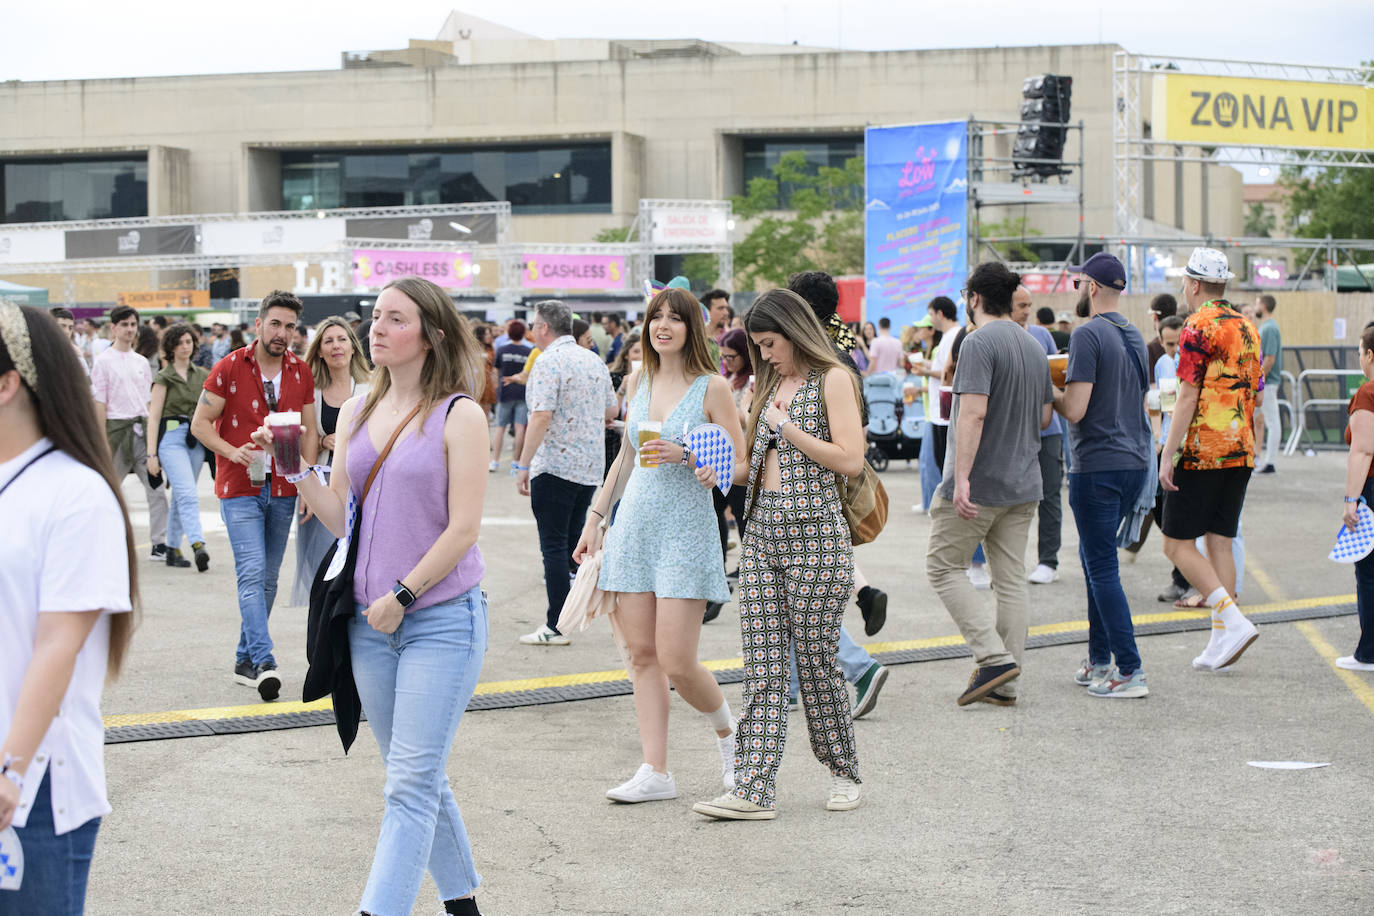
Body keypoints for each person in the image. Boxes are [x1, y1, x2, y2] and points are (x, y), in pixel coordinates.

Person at [260, 275, 491, 916]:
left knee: (409, 787)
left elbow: (464, 527)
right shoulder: (358, 409)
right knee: (416, 780)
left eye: (395, 318)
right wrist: (293, 468)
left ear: (431, 335)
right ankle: (463, 908)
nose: (376, 329)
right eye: (376, 317)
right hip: (367, 623)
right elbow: (342, 518)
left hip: (441, 619)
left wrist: (405, 591)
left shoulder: (459, 414)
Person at [691, 288, 866, 821]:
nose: (764, 355)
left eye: (770, 344)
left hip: (816, 534)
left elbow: (851, 459)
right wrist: (718, 466)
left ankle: (843, 772)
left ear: (794, 331)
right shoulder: (765, 387)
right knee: (763, 665)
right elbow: (753, 465)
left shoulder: (832, 379)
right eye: (760, 346)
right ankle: (753, 787)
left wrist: (786, 427)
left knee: (815, 663)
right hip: (763, 531)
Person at [573, 286, 744, 804]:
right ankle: (656, 770)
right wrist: (596, 516)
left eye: (674, 318)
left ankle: (731, 737)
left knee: (676, 658)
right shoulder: (638, 381)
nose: (662, 326)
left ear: (693, 327)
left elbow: (739, 464)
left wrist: (692, 454)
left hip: (686, 531)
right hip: (634, 528)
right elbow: (625, 460)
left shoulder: (712, 388)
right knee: (641, 655)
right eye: (655, 318)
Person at [0, 301, 136, 914]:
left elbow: (60, 643)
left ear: (7, 385)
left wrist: (10, 771)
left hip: (33, 788)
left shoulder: (75, 493)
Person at [925, 263, 1053, 707]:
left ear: (974, 298)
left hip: (980, 484)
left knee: (942, 567)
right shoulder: (1034, 346)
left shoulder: (978, 343)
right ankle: (1005, 682)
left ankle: (993, 659)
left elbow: (973, 413)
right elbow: (1043, 417)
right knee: (1011, 580)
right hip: (1024, 481)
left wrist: (960, 477)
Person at [192, 290, 318, 701]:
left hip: (284, 487)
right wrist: (233, 451)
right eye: (276, 323)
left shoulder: (300, 372)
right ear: (259, 323)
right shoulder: (228, 367)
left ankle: (244, 658)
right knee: (251, 573)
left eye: (290, 327)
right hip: (239, 486)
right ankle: (264, 661)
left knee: (267, 579)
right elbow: (200, 424)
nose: (283, 333)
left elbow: (311, 433)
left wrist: (308, 484)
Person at [1159, 248, 1264, 672]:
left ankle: (1234, 621)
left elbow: (1186, 396)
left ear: (1195, 284)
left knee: (1175, 544)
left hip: (1202, 449)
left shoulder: (1197, 326)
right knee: (1219, 538)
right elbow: (1254, 392)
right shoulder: (1248, 327)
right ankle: (1222, 636)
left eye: (1185, 282)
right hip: (1240, 447)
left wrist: (1168, 454)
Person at [1053, 253, 1153, 698]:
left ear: (1091, 287)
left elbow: (1075, 408)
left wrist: (1047, 388)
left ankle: (1129, 670)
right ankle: (1098, 660)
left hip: (1097, 464)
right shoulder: (1133, 335)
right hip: (1134, 461)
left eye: (1079, 283)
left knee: (1101, 567)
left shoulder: (1088, 334)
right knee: (1096, 564)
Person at [515, 300, 618, 646]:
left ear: (545, 327)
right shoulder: (593, 360)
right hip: (588, 467)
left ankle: (556, 623)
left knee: (555, 548)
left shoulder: (548, 362)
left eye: (534, 324)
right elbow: (612, 408)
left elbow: (541, 415)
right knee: (573, 544)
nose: (532, 330)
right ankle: (572, 612)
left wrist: (523, 463)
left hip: (555, 465)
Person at [290, 316, 371, 607]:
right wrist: (324, 441)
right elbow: (304, 436)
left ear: (352, 347)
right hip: (322, 483)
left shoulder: (371, 388)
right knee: (321, 562)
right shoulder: (310, 393)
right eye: (328, 341)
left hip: (362, 486)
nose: (336, 346)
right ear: (320, 351)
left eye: (342, 339)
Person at [90, 305, 170, 561]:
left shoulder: (142, 363)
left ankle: (159, 542)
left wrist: (152, 443)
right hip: (115, 430)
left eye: (133, 324)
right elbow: (99, 403)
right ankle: (103, 539)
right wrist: (101, 440)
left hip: (141, 429)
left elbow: (149, 403)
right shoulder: (102, 362)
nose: (129, 329)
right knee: (109, 490)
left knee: (156, 488)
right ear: (113, 328)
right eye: (124, 324)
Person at [146, 322, 212, 572]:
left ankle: (172, 548)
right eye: (180, 342)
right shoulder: (163, 378)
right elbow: (153, 417)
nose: (185, 346)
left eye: (189, 342)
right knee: (186, 493)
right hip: (171, 439)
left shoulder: (202, 375)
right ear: (171, 347)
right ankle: (197, 543)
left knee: (182, 495)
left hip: (195, 440)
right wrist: (151, 454)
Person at [1016, 288, 1065, 585]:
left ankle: (1049, 560)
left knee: (1049, 495)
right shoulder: (994, 336)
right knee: (1014, 501)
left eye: (1029, 305)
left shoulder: (1041, 334)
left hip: (1048, 429)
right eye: (1021, 305)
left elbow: (1055, 375)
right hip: (1013, 431)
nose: (1026, 310)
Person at [1338, 325, 1374, 671]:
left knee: (1369, 572)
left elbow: (1362, 451)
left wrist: (1352, 500)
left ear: (1370, 355)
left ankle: (1370, 652)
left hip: (1373, 489)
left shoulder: (1367, 393)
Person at [490, 319, 533, 473]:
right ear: (523, 333)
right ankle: (516, 462)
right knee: (520, 427)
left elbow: (495, 370)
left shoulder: (502, 349)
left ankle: (494, 461)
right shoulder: (529, 350)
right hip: (522, 392)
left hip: (505, 393)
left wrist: (496, 386)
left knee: (500, 428)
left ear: (509, 333)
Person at [605, 329, 642, 477]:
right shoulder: (614, 377)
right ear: (627, 355)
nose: (642, 356)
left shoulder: (653, 379)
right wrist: (623, 388)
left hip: (639, 442)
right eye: (636, 351)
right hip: (615, 443)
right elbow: (610, 415)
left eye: (645, 351)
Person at [1254, 294, 1283, 474]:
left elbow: (1270, 359)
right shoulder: (1266, 327)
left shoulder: (1270, 328)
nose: (1255, 306)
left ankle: (1270, 461)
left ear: (1263, 305)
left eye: (1257, 303)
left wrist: (1258, 381)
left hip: (1267, 383)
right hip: (1263, 382)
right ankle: (1255, 457)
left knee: (1272, 421)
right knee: (1250, 417)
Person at [1145, 294, 1178, 385]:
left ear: (1154, 316)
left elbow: (1151, 386)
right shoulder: (1190, 340)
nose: (1175, 349)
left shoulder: (1151, 349)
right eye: (1170, 344)